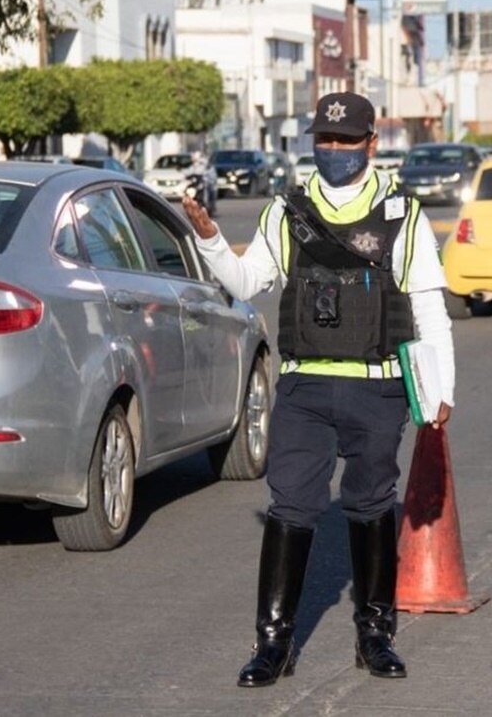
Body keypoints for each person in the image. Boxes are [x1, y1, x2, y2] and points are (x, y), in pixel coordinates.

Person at [182, 92, 455, 688]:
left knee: (370, 503)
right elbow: (249, 280)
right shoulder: (287, 211)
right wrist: (208, 243)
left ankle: (375, 634)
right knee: (291, 507)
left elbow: (431, 309)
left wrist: (439, 390)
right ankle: (273, 645)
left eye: (346, 141)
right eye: (325, 140)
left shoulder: (402, 215)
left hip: (378, 389)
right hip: (305, 387)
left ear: (371, 144)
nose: (334, 151)